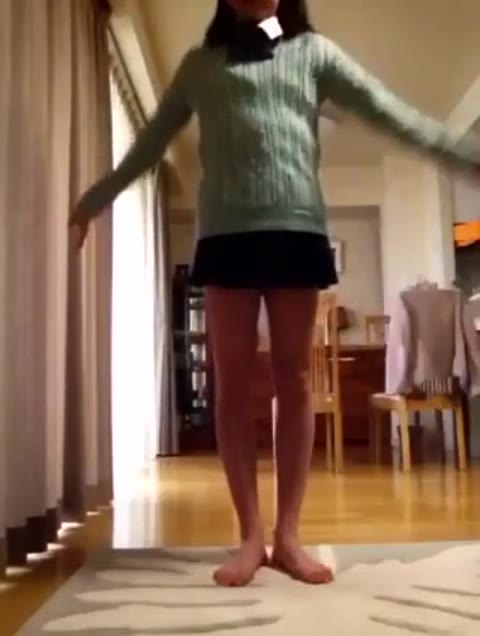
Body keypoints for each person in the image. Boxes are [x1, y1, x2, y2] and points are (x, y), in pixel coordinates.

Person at [70, 0, 480, 587]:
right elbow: (148, 145)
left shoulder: (313, 53)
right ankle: (249, 536)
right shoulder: (200, 66)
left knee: (295, 379)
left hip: (296, 230)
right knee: (232, 383)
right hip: (225, 236)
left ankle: (288, 535)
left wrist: (465, 157)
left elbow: (389, 111)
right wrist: (91, 202)